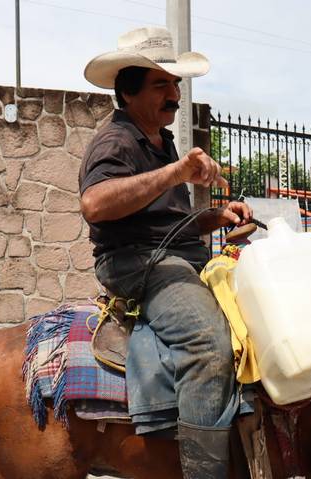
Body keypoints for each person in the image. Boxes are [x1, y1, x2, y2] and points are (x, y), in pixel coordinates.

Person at [79, 27, 252, 478]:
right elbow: (95, 203)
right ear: (127, 92)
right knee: (209, 345)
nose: (174, 94)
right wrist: (178, 173)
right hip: (137, 264)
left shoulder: (161, 140)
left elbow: (167, 223)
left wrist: (216, 218)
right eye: (162, 85)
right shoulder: (115, 141)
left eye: (175, 84)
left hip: (172, 255)